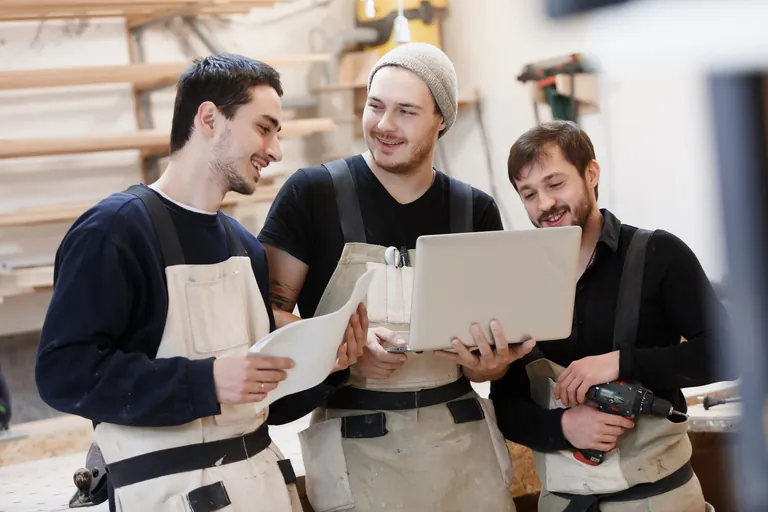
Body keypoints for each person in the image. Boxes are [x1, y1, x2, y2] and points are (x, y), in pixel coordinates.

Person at [34, 54, 366, 512]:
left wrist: (328, 366)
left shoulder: (245, 248)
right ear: (209, 118)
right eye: (264, 128)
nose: (275, 151)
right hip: (165, 495)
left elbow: (266, 405)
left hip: (261, 489)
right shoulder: (115, 230)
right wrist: (205, 381)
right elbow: (62, 374)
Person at [258, 42, 534, 512]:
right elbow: (266, 316)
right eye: (375, 106)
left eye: (406, 111)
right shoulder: (313, 194)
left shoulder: (474, 210)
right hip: (356, 446)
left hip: (460, 445)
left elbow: (489, 345)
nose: (384, 125)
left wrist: (491, 365)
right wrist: (341, 353)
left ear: (440, 121)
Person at [480, 120, 727, 511]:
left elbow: (728, 352)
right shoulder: (517, 283)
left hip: (659, 499)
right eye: (528, 193)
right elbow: (507, 406)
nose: (544, 204)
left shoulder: (658, 255)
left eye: (555, 184)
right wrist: (563, 427)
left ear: (591, 174)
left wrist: (620, 363)